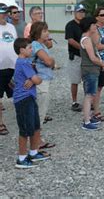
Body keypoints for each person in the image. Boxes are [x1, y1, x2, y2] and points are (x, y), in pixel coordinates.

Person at [13, 38, 51, 168]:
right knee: (25, 129)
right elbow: (37, 80)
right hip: (23, 99)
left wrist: (34, 79)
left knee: (35, 126)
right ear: (21, 50)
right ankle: (22, 158)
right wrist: (35, 79)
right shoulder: (22, 63)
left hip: (30, 97)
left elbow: (33, 78)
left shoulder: (26, 62)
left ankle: (34, 152)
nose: (32, 49)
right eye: (29, 48)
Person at [79, 17, 104, 130]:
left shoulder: (88, 38)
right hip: (90, 70)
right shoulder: (86, 39)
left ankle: (88, 118)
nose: (96, 26)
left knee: (91, 94)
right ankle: (86, 121)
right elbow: (92, 57)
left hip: (92, 70)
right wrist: (103, 64)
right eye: (94, 24)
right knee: (89, 95)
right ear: (89, 26)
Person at [29, 22, 55, 126]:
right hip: (41, 81)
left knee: (40, 110)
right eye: (44, 31)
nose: (47, 33)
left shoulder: (41, 45)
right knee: (40, 111)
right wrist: (52, 60)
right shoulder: (36, 45)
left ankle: (36, 137)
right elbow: (49, 62)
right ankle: (36, 139)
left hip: (43, 79)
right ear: (37, 33)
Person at [65, 4, 86, 112]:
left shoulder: (85, 25)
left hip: (86, 57)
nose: (81, 13)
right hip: (76, 56)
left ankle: (88, 100)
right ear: (74, 13)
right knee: (75, 80)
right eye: (79, 11)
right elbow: (70, 40)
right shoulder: (70, 25)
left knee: (87, 79)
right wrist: (83, 48)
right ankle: (74, 101)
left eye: (83, 12)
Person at [0, 3, 17, 136]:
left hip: (13, 67)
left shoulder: (11, 27)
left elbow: (15, 44)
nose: (3, 15)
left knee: (17, 94)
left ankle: (21, 118)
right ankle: (1, 123)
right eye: (1, 12)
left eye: (5, 12)